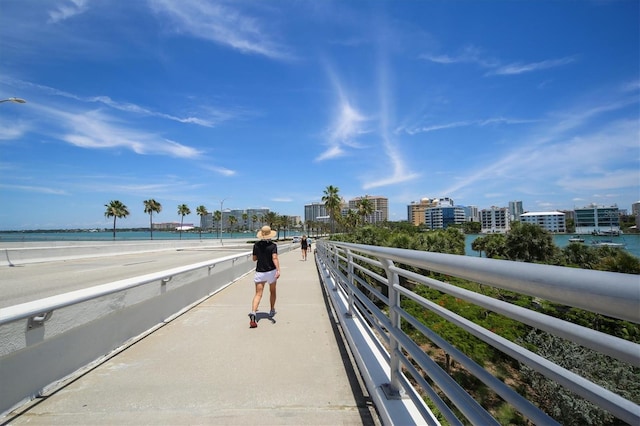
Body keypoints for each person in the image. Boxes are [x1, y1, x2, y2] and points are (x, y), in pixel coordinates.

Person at [249, 225, 280, 328]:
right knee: (272, 291)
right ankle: (271, 310)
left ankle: (253, 313)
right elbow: (274, 258)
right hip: (271, 271)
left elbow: (254, 259)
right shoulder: (273, 246)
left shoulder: (256, 245)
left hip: (260, 272)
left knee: (258, 294)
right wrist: (278, 270)